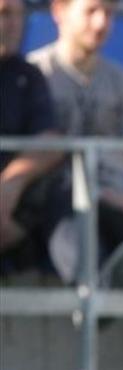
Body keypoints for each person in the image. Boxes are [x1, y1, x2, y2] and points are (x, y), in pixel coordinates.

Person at [27, 0, 123, 288]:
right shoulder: (35, 75)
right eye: (91, 11)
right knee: (71, 214)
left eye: (108, 13)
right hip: (59, 204)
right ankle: (100, 286)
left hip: (119, 206)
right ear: (60, 12)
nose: (101, 23)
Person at [0, 0, 63, 277]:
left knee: (66, 187)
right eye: (3, 14)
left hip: (14, 216)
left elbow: (49, 141)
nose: (13, 24)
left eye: (18, 14)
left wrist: (10, 184)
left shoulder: (27, 75)